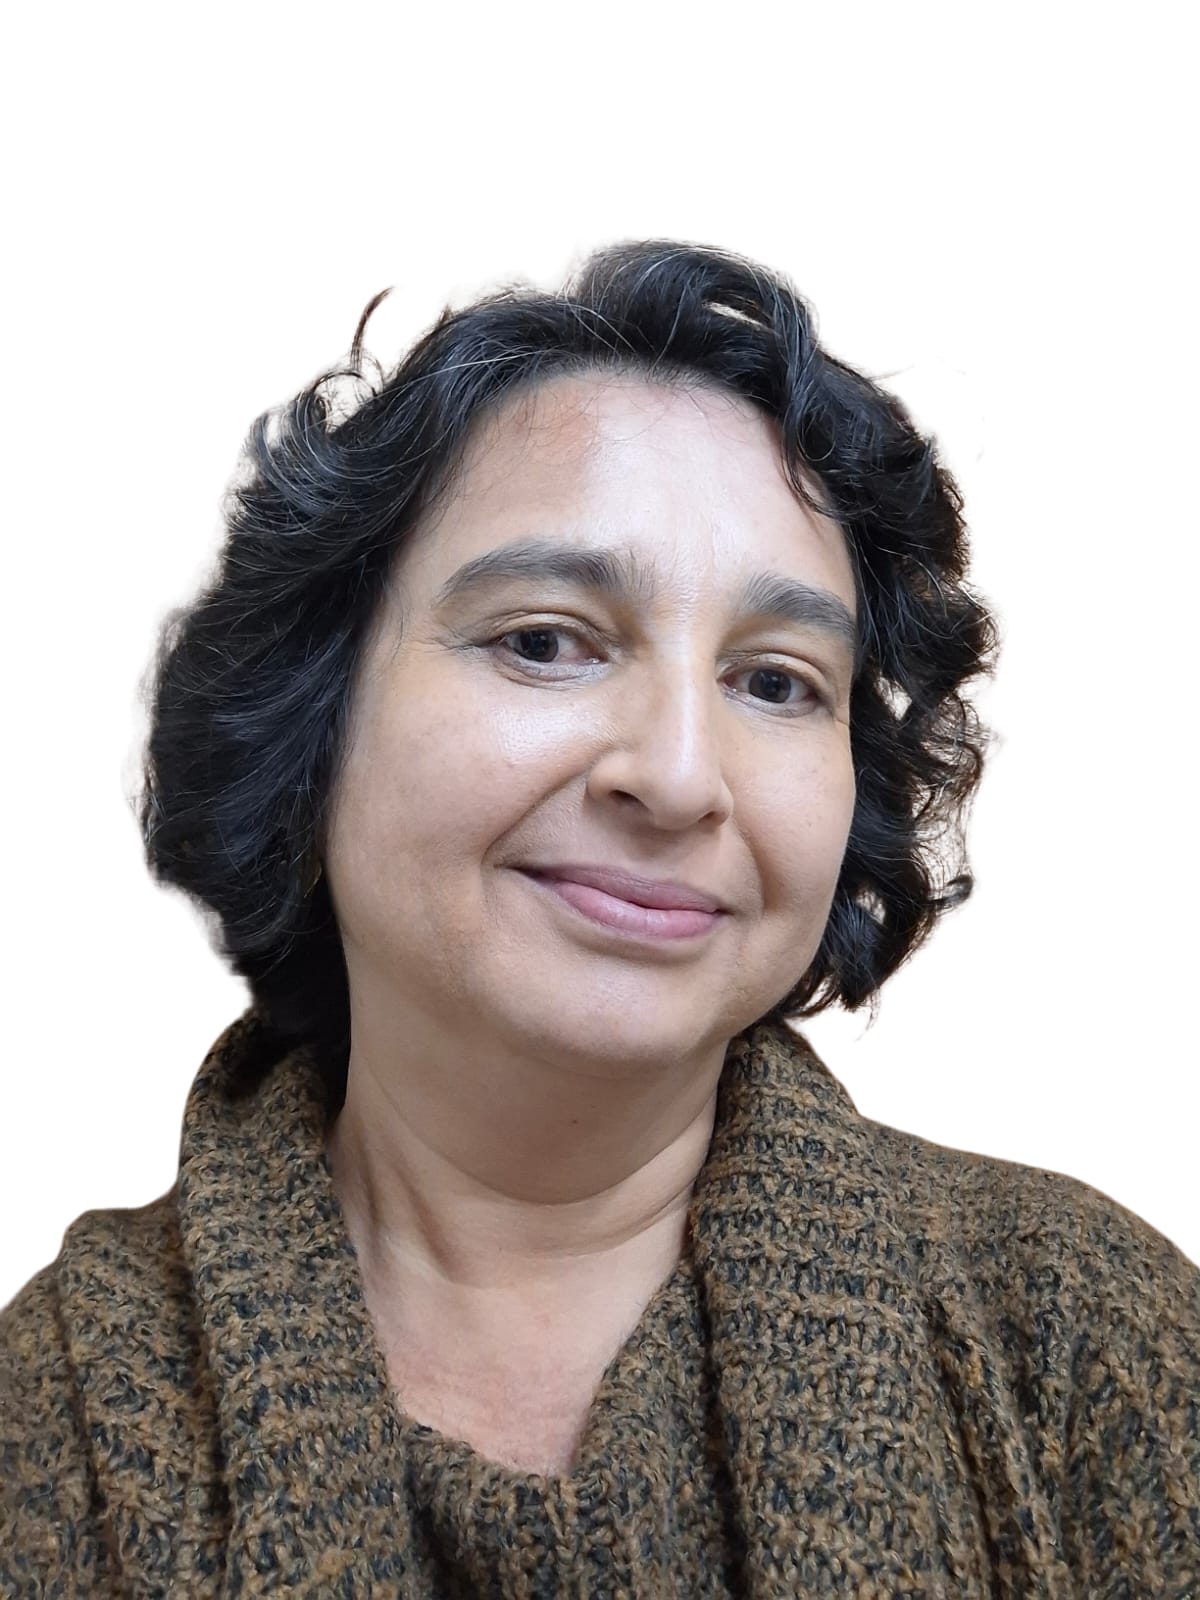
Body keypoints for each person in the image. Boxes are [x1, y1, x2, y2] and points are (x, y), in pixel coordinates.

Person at [1, 240, 1196, 1598]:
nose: (679, 778)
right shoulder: (45, 1431)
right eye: (545, 642)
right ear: (309, 719)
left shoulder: (1091, 1342)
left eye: (777, 682)